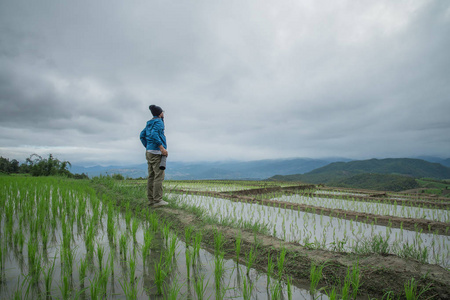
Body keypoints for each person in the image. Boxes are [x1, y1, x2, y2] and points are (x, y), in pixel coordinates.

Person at [140, 105, 168, 207]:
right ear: (160, 113)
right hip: (156, 152)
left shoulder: (149, 123)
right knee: (159, 176)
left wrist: (148, 146)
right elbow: (154, 134)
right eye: (162, 112)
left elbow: (142, 135)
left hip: (149, 152)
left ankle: (151, 200)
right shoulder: (159, 122)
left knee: (151, 176)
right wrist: (161, 148)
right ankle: (157, 200)